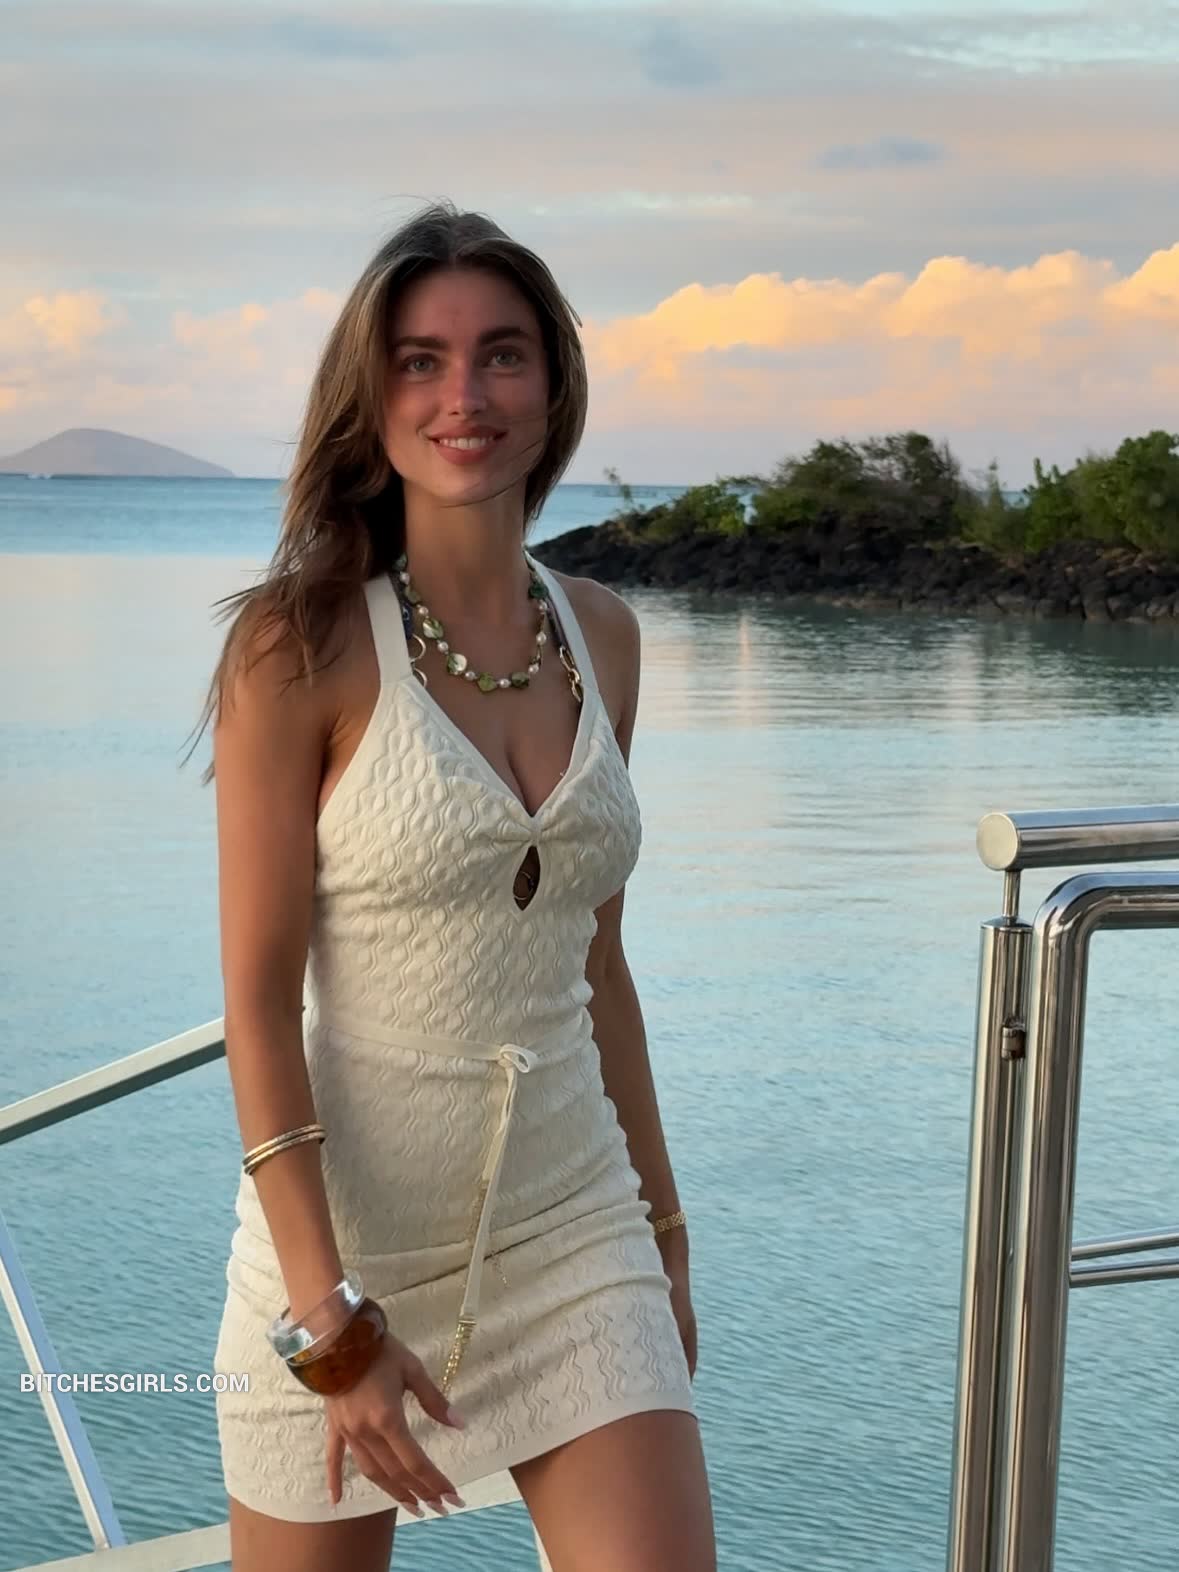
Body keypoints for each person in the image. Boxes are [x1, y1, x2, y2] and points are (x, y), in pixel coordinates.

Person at [189, 199, 716, 1571]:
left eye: (502, 355)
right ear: (373, 402)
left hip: (575, 1230)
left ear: (553, 390)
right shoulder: (295, 649)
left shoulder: (607, 637)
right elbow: (258, 1008)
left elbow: (599, 968)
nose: (463, 394)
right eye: (420, 361)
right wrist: (330, 1323)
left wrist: (662, 1230)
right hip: (342, 1259)